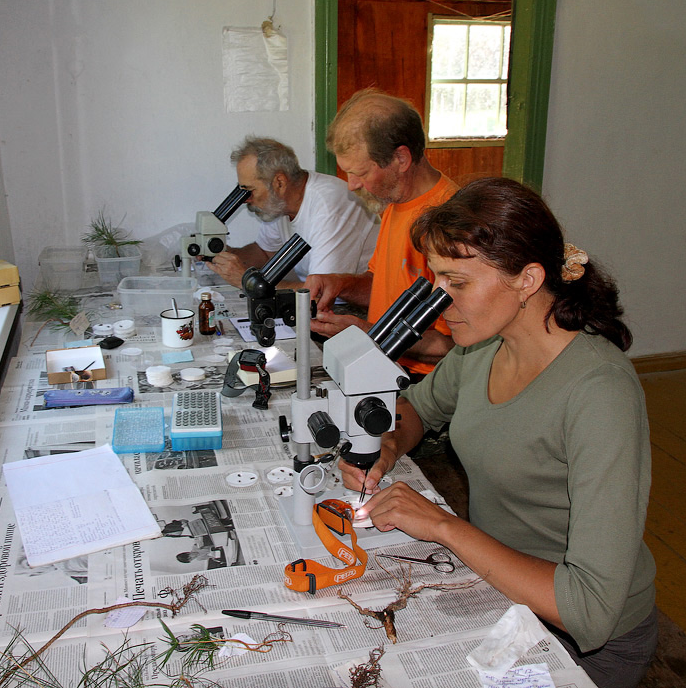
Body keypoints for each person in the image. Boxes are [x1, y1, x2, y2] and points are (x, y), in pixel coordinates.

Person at [342, 178, 657, 688]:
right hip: (497, 591)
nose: (440, 304)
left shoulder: (600, 392)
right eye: (436, 282)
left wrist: (444, 527)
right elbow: (417, 407)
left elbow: (590, 607)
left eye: (457, 283)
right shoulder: (482, 347)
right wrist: (385, 446)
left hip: (581, 640)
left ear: (528, 279)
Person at [304, 90, 458, 377]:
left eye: (361, 173)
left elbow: (454, 345)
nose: (351, 185)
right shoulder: (395, 202)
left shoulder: (449, 224)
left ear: (401, 158)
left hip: (422, 379)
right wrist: (341, 285)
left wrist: (369, 332)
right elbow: (386, 287)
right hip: (380, 357)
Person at [206, 136, 378, 289]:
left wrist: (247, 281)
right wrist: (223, 254)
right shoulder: (279, 204)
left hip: (348, 307)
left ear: (279, 182)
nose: (245, 200)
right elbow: (265, 253)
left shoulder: (330, 208)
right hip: (315, 300)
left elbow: (320, 294)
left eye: (249, 191)